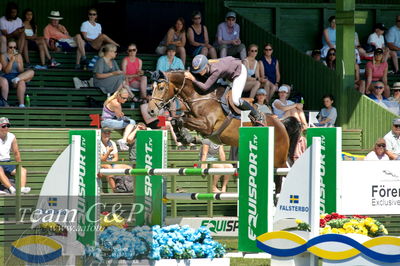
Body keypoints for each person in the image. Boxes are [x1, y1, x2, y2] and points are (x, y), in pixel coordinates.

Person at [184, 54, 264, 125]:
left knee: (236, 100)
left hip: (239, 72)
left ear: (205, 66)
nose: (199, 72)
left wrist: (193, 79)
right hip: (227, 74)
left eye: (200, 70)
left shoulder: (216, 70)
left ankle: (256, 114)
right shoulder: (208, 64)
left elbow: (205, 87)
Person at [0, 39, 34, 107]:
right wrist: (12, 61)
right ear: (7, 47)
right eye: (10, 47)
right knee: (22, 81)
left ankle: (21, 105)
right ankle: (17, 79)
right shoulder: (3, 56)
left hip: (18, 76)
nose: (13, 49)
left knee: (31, 72)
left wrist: (18, 62)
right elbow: (6, 71)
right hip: (8, 77)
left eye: (14, 47)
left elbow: (21, 70)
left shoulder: (19, 56)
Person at [0, 117, 30, 194]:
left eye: (8, 126)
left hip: (7, 162)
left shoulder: (11, 136)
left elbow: (16, 152)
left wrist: (19, 165)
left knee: (22, 170)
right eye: (3, 126)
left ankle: (22, 189)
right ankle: (12, 189)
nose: (6, 128)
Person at [101, 86, 136, 151]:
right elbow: (120, 117)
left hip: (107, 121)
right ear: (118, 95)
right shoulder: (116, 103)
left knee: (131, 123)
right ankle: (123, 140)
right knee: (132, 122)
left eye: (126, 98)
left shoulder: (112, 100)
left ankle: (124, 140)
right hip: (108, 122)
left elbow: (119, 115)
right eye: (123, 98)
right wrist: (124, 116)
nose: (125, 100)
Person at [99, 127, 132, 192]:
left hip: (110, 163)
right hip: (99, 164)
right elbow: (102, 160)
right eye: (105, 132)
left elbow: (116, 158)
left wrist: (109, 161)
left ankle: (129, 189)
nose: (107, 134)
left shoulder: (112, 143)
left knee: (128, 167)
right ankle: (115, 190)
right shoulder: (98, 143)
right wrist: (108, 152)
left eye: (109, 133)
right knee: (108, 167)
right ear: (101, 133)